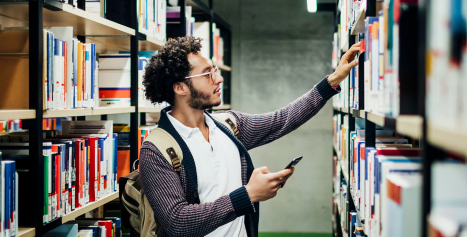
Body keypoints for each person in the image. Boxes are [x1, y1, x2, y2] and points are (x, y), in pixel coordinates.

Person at [140, 36, 360, 237]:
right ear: (180, 88)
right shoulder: (156, 150)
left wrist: (332, 81)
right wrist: (248, 195)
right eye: (208, 73)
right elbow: (177, 221)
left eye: (215, 70)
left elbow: (281, 120)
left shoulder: (228, 125)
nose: (219, 79)